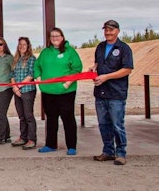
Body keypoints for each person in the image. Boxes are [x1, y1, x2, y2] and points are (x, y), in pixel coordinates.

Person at [90, 20, 133, 165]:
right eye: (106, 30)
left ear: (117, 31)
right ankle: (108, 151)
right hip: (100, 92)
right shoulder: (100, 47)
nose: (108, 33)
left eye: (111, 30)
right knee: (103, 124)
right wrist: (93, 69)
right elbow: (97, 63)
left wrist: (106, 77)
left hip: (116, 93)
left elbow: (127, 69)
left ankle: (121, 153)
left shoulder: (124, 48)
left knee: (117, 124)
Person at [34, 27, 82, 155]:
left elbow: (77, 68)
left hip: (65, 92)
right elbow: (37, 66)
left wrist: (67, 84)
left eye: (57, 36)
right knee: (51, 119)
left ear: (62, 37)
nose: (55, 38)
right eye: (52, 36)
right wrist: (39, 80)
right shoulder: (45, 52)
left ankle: (71, 146)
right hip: (48, 92)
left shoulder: (70, 51)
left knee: (68, 119)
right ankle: (50, 144)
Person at [10, 37, 37, 150]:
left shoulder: (31, 58)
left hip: (27, 90)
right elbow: (12, 75)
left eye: (24, 44)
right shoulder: (16, 59)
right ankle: (23, 137)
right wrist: (15, 87)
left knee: (28, 115)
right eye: (20, 44)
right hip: (17, 91)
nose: (22, 46)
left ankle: (31, 139)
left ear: (28, 46)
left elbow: (31, 75)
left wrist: (19, 86)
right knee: (21, 116)